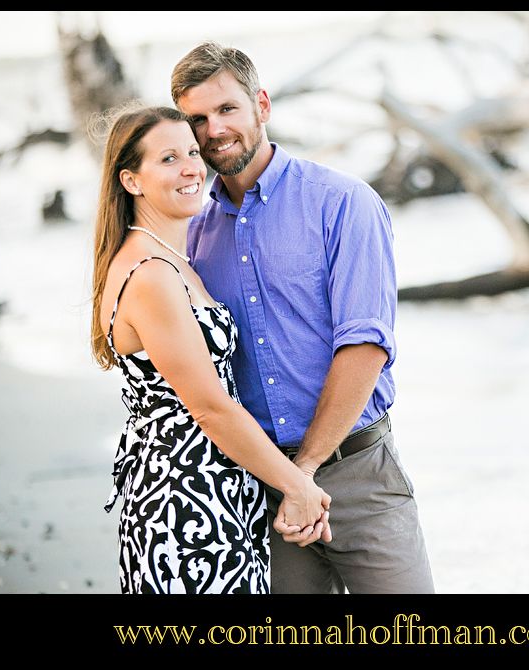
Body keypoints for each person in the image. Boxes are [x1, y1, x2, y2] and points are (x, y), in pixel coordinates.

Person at [171, 42, 435, 594]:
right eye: (196, 119)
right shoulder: (191, 236)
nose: (214, 130)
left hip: (359, 479)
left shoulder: (342, 203)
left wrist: (306, 474)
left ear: (261, 106)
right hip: (256, 496)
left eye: (226, 110)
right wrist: (285, 482)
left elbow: (365, 346)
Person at [91, 104, 332, 594]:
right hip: (186, 505)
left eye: (193, 153)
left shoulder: (173, 260)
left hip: (215, 491)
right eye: (168, 159)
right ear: (131, 181)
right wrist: (297, 485)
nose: (191, 169)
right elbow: (209, 406)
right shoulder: (152, 275)